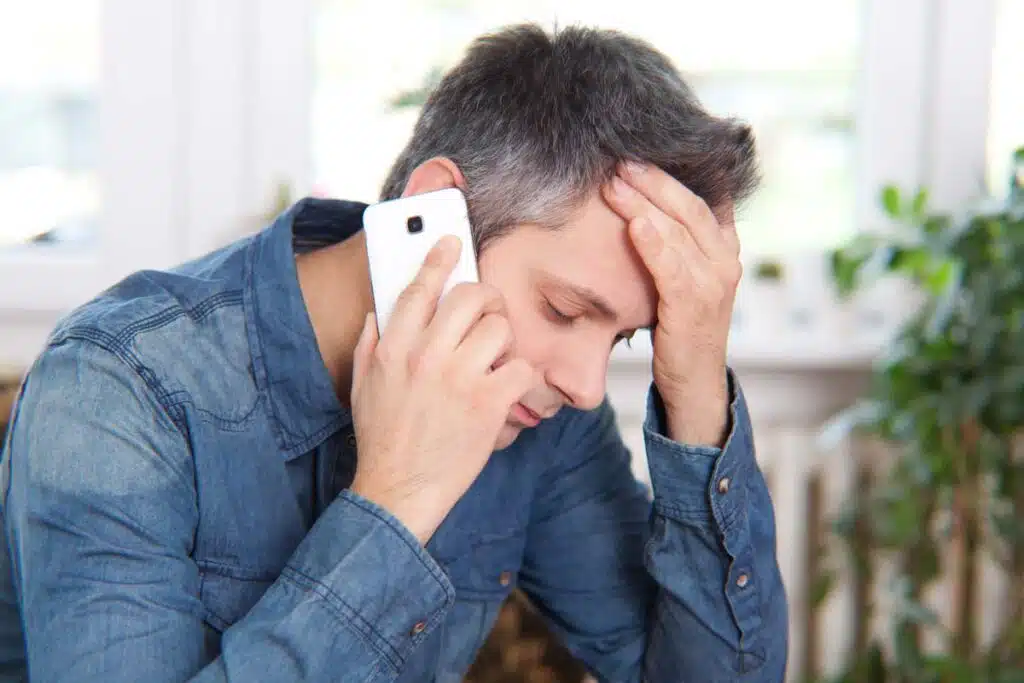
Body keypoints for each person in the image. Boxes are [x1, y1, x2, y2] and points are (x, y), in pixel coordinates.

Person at [0, 23, 787, 683]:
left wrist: (695, 388)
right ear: (432, 214)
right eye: (564, 309)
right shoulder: (117, 389)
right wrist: (397, 502)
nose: (584, 386)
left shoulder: (536, 406)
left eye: (620, 338)